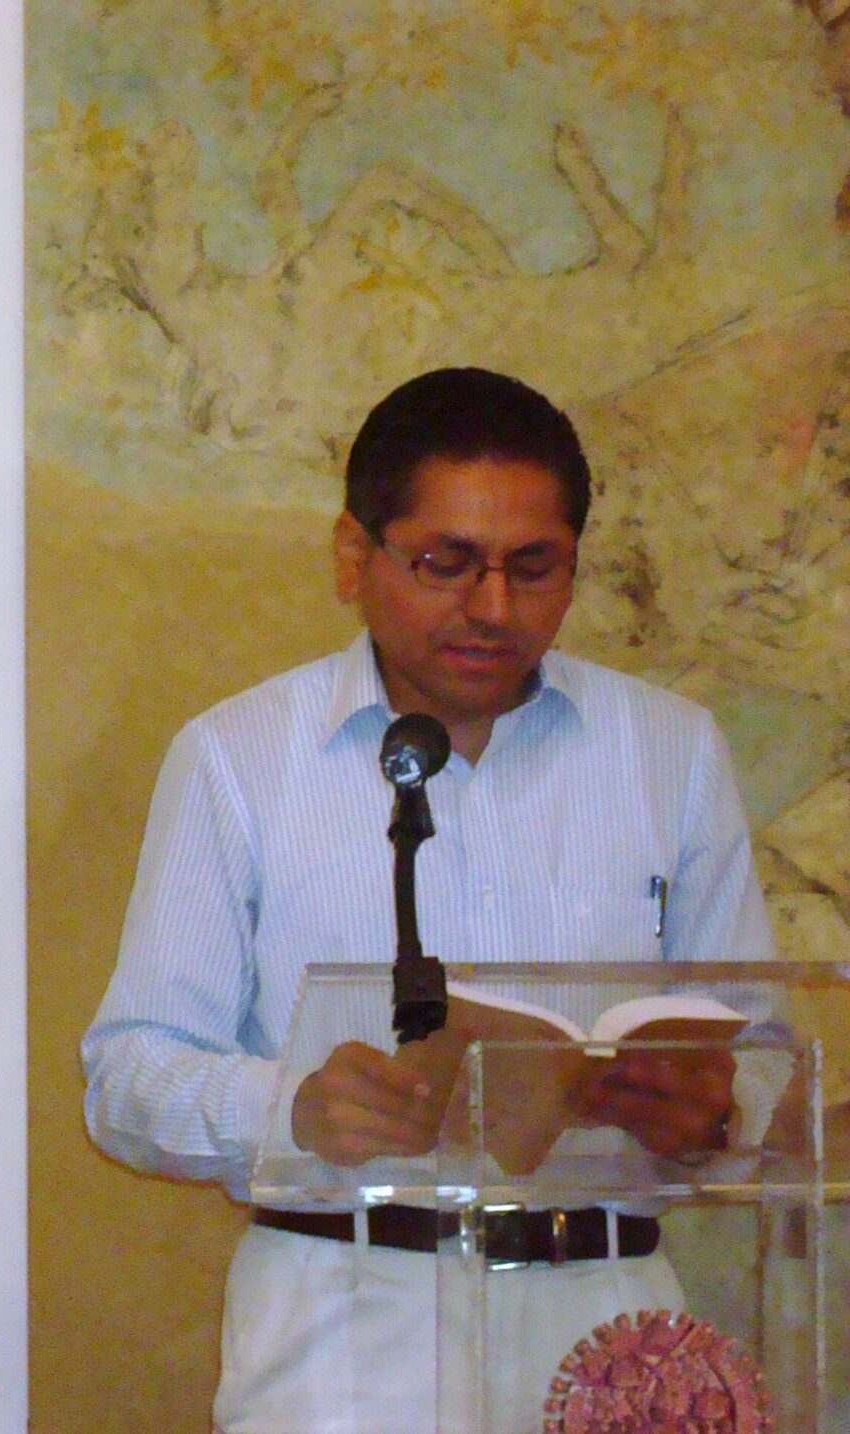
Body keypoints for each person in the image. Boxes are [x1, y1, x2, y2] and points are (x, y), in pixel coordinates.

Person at [81, 368, 774, 1433]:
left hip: (613, 1325)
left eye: (534, 569)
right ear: (355, 557)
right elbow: (128, 1076)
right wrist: (295, 1110)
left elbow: (760, 1053)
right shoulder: (241, 757)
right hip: (346, 1328)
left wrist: (720, 1113)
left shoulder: (669, 750)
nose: (493, 608)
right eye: (446, 563)